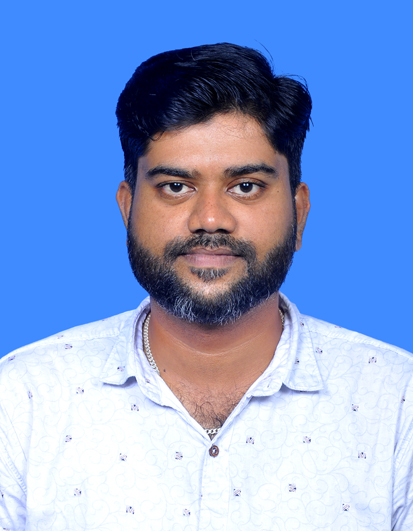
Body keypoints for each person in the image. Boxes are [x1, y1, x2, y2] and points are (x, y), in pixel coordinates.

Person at [0, 43, 412, 531]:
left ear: (299, 214)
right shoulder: (22, 400)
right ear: (127, 208)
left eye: (246, 186)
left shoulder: (397, 403)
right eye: (176, 186)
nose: (210, 219)